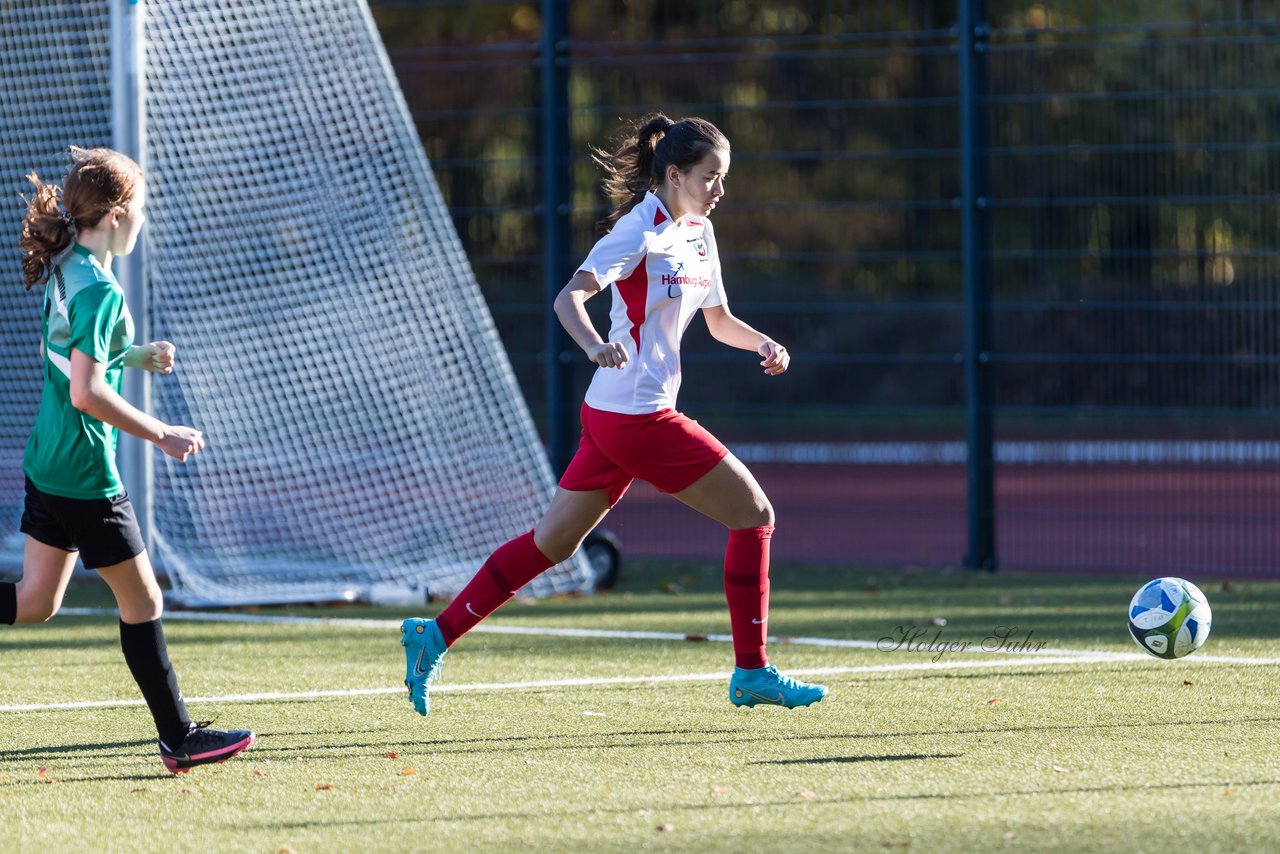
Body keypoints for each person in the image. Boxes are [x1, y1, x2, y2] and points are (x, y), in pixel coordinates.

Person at [401, 115, 827, 716]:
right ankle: (752, 670)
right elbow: (568, 297)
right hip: (636, 416)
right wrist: (595, 343)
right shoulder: (638, 231)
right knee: (755, 515)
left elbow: (718, 318)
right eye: (711, 178)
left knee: (551, 545)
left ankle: (434, 635)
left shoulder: (699, 231)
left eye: (723, 178)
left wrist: (762, 343)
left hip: (613, 413)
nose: (720, 191)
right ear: (675, 174)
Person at [7, 146, 254, 773]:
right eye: (140, 209)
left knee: (36, 601)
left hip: (47, 458)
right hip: (86, 471)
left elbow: (72, 353)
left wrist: (138, 356)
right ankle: (179, 738)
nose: (144, 221)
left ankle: (178, 736)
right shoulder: (104, 289)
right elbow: (87, 392)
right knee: (144, 603)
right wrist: (162, 433)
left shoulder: (68, 265)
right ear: (116, 215)